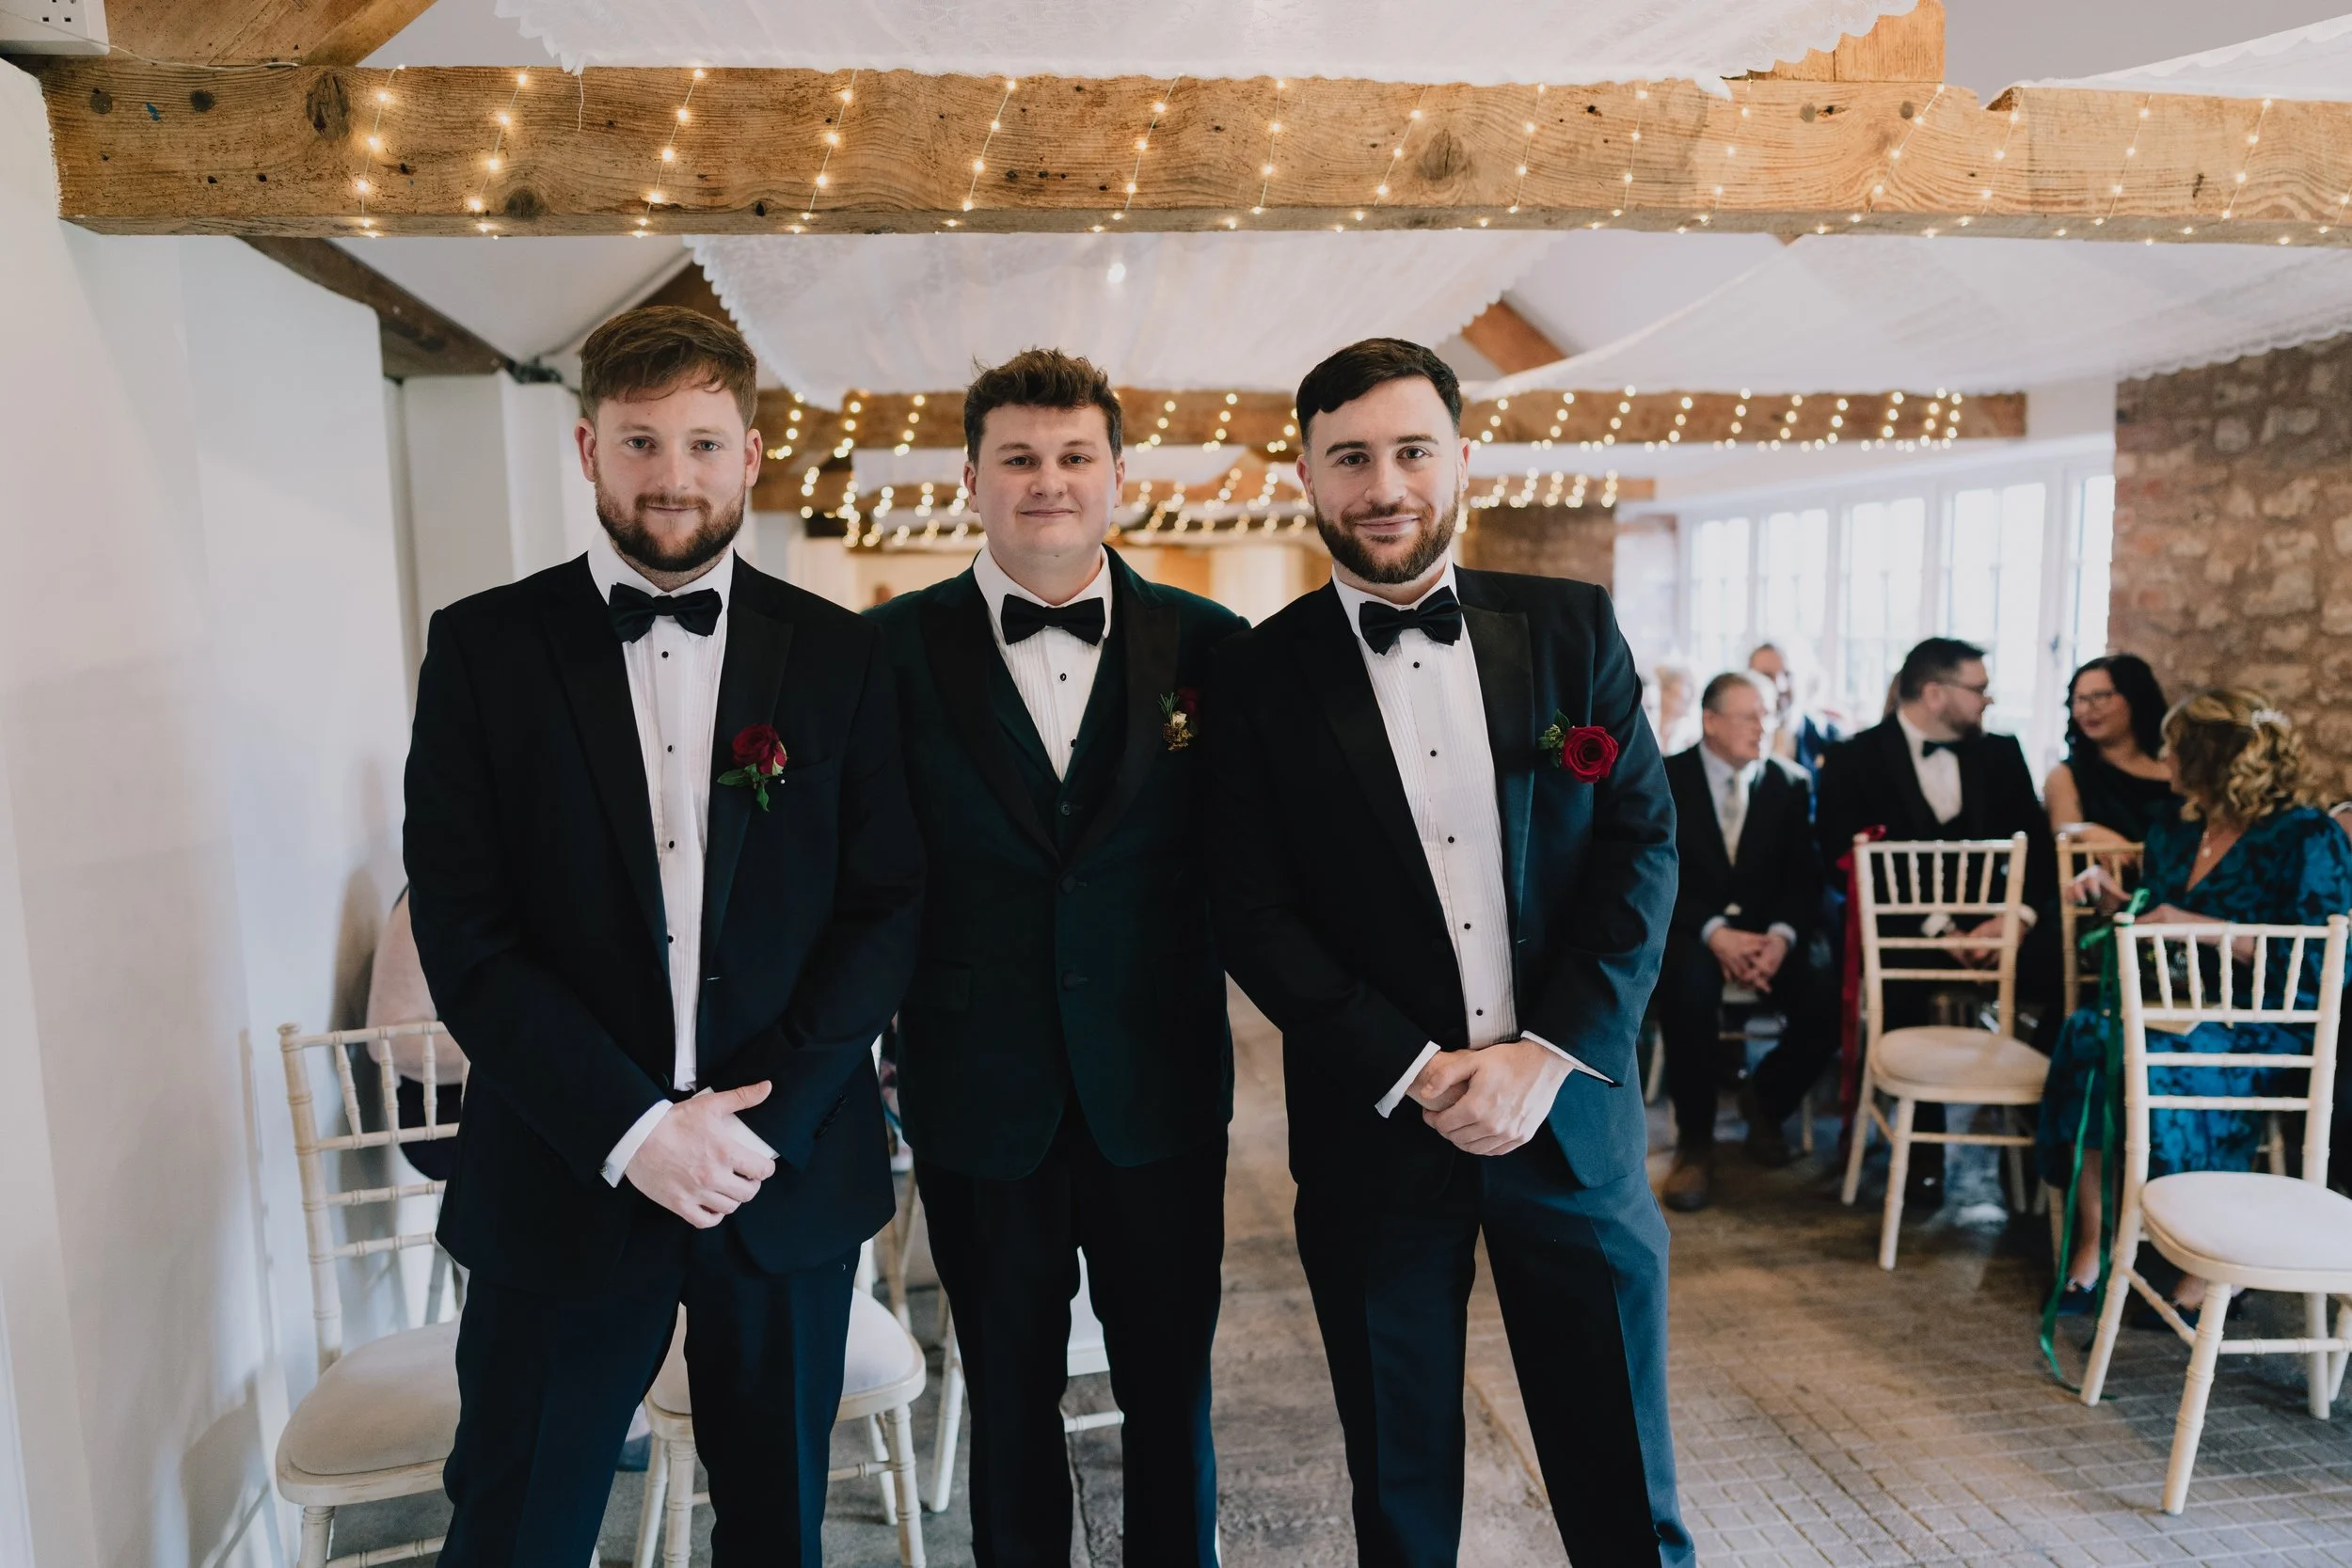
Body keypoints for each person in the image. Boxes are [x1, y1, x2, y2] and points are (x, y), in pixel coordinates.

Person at [404, 306, 924, 1565]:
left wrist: (755, 1124)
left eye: (703, 442)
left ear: (751, 455)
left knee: (777, 1532)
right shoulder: (485, 649)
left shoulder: (846, 659)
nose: (673, 476)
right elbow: (466, 926)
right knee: (519, 1527)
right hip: (560, 1167)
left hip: (779, 1174)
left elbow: (888, 903)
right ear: (588, 447)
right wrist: (634, 1129)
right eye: (642, 441)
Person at [1210, 338, 1690, 1566]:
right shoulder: (1259, 673)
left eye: (1412, 451)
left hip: (1571, 1124)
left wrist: (1550, 1053)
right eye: (1352, 457)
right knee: (1401, 1484)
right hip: (1378, 1134)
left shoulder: (1573, 627)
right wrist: (1418, 1068)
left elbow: (1642, 843)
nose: (1386, 486)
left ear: (1463, 459)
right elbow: (1251, 906)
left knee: (1625, 1478)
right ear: (1307, 475)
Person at [866, 350, 1243, 1568]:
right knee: (1006, 1396)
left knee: (1171, 1388)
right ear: (970, 478)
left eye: (1075, 455)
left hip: (1162, 1090)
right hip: (982, 1090)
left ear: (1120, 477)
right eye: (1019, 458)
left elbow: (1271, 863)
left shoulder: (1212, 646)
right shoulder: (885, 653)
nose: (1048, 481)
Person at [2040, 689, 2352, 1321]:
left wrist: (2199, 923)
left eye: (2173, 745)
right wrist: (2110, 899)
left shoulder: (2304, 836)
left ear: (2210, 757)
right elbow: (2155, 918)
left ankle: (2205, 1262)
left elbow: (2326, 961)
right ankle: (2096, 1245)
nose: (2163, 757)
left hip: (2269, 1024)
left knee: (2160, 1056)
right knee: (2085, 1037)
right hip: (2181, 1004)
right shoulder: (2176, 830)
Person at [1814, 637, 2057, 1211]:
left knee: (2062, 975)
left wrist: (2013, 919)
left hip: (1997, 931)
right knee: (1903, 985)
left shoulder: (2002, 753)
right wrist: (1940, 929)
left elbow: (2039, 850)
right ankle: (1923, 1150)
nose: (1988, 701)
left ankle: (2038, 1136)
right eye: (1978, 688)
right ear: (1933, 692)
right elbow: (1837, 857)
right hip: (1909, 935)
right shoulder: (1855, 758)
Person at [1656, 671, 1836, 1212]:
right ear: (1710, 721)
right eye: (1749, 715)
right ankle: (1695, 1142)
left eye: (1767, 715)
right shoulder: (1666, 777)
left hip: (1768, 935)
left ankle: (1767, 1102)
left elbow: (1805, 877)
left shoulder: (1789, 782)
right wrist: (1715, 932)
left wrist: (1780, 939)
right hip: (1693, 931)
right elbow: (1654, 871)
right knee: (1688, 992)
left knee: (1826, 1001)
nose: (1764, 726)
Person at [2043, 654, 2176, 845]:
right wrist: (2084, 831)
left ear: (2134, 698)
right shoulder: (2067, 775)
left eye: (2100, 696)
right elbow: (2062, 828)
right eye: (2079, 699)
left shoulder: (2177, 770)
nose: (2087, 709)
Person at [1748, 641, 1841, 778]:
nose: (1781, 686)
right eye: (1767, 676)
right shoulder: (1731, 736)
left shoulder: (1829, 738)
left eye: (1787, 675)